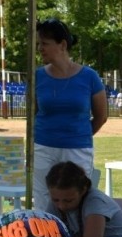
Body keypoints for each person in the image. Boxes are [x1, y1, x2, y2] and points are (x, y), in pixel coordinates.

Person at [33, 17, 107, 209]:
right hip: (43, 147)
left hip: (78, 149)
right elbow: (33, 112)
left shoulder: (89, 76)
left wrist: (79, 134)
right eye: (38, 44)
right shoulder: (37, 76)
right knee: (43, 199)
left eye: (45, 44)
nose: (40, 48)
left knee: (77, 199)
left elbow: (101, 116)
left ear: (62, 45)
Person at [45, 160, 122, 237]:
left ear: (83, 190)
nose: (61, 206)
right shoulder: (59, 198)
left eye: (68, 201)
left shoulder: (95, 202)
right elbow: (45, 234)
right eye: (55, 200)